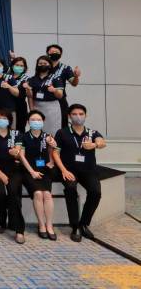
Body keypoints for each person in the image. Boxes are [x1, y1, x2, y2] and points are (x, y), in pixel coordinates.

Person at [53, 104, 106, 242]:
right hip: (69, 170)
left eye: (81, 114)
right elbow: (55, 153)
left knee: (95, 192)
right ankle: (75, 225)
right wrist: (63, 170)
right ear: (69, 116)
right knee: (70, 188)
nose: (78, 117)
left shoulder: (92, 133)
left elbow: (102, 142)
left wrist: (94, 145)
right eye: (75, 114)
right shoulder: (62, 132)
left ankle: (84, 223)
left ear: (86, 115)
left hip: (88, 170)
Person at [0, 109, 25, 243]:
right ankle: (2, 216)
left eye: (5, 118)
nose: (2, 120)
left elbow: (19, 153)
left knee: (14, 193)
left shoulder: (16, 134)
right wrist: (0, 173)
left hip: (13, 169)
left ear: (9, 120)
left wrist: (16, 153)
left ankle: (19, 230)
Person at [18, 110, 57, 240]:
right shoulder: (23, 137)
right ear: (28, 122)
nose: (36, 122)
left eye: (39, 120)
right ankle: (41, 224)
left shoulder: (47, 136)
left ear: (43, 121)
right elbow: (21, 156)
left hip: (45, 170)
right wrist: (32, 172)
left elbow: (52, 151)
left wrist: (51, 160)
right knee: (38, 193)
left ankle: (49, 225)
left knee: (47, 194)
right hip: (29, 171)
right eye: (33, 120)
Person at [24, 55, 64, 135]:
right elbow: (30, 96)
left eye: (45, 63)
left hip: (52, 107)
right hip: (37, 106)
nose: (42, 65)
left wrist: (54, 90)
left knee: (52, 130)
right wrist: (32, 110)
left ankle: (52, 142)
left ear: (50, 65)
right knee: (37, 129)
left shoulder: (56, 78)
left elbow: (60, 95)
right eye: (40, 63)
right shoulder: (32, 79)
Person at [46, 44, 81, 128]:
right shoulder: (43, 67)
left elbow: (74, 83)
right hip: (44, 101)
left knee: (62, 124)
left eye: (57, 52)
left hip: (60, 100)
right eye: (52, 51)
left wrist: (76, 76)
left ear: (60, 55)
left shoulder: (65, 68)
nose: (54, 53)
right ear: (47, 53)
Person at [0, 58, 20, 127]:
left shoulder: (9, 77)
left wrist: (9, 86)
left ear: (3, 66)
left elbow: (17, 93)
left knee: (12, 130)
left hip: (10, 110)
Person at [9, 57, 30, 133]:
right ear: (12, 66)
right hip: (7, 106)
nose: (19, 67)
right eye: (17, 65)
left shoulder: (27, 79)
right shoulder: (7, 77)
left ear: (24, 67)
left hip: (20, 107)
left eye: (21, 66)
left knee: (20, 130)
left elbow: (29, 95)